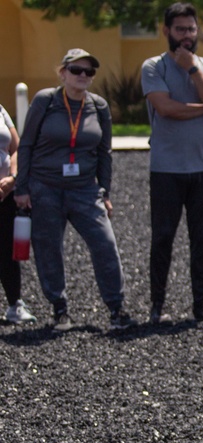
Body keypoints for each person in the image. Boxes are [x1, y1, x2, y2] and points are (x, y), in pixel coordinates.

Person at [14, 49, 137, 331]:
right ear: (63, 73)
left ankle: (116, 309)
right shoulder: (46, 101)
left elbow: (105, 152)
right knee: (48, 249)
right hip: (45, 187)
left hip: (84, 189)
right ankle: (60, 309)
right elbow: (27, 145)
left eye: (89, 71)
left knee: (105, 245)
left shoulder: (100, 107)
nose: (82, 76)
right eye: (76, 70)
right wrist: (22, 187)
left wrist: (105, 191)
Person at [142, 2, 203, 325]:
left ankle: (200, 306)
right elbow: (166, 110)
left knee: (202, 239)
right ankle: (157, 306)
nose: (187, 36)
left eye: (191, 29)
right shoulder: (153, 67)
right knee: (162, 237)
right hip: (166, 170)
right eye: (180, 30)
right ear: (166, 31)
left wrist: (193, 69)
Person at [1, 104, 37, 325]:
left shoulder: (1, 109)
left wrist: (13, 177)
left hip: (6, 194)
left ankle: (15, 305)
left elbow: (16, 148)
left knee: (6, 251)